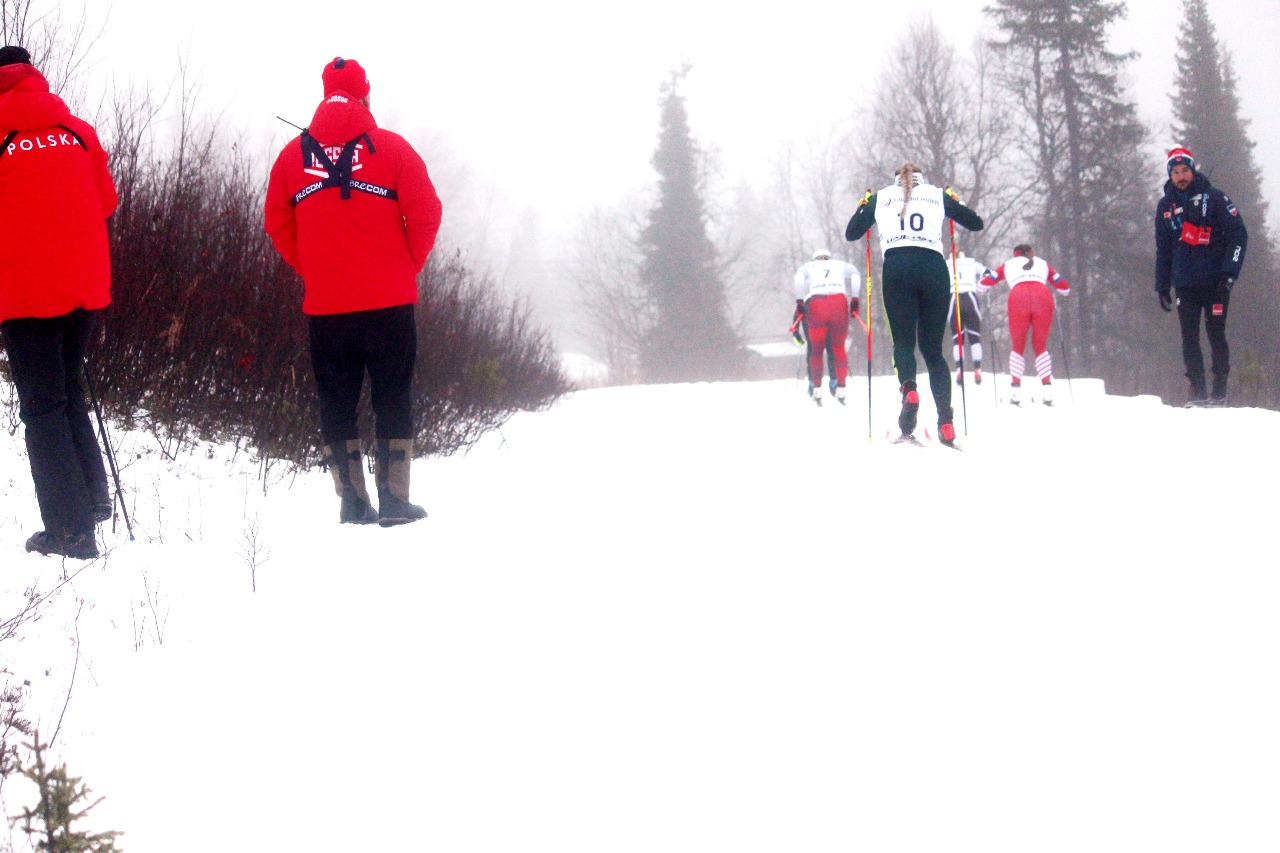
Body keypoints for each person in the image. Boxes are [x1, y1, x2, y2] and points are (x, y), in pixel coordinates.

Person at [265, 57, 443, 525]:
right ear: (365, 96)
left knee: (336, 400)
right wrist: (406, 266)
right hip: (389, 302)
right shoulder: (393, 149)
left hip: (327, 306)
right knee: (393, 395)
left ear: (325, 95)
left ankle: (353, 501)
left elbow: (276, 223)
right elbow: (426, 212)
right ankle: (395, 501)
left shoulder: (291, 157)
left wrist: (314, 268)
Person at [0, 46, 117, 560]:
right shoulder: (77, 131)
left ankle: (70, 531)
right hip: (84, 285)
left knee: (42, 405)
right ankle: (90, 501)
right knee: (66, 389)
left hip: (25, 289)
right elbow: (107, 202)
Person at [845, 163, 983, 445]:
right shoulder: (937, 194)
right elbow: (975, 223)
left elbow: (852, 232)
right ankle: (946, 422)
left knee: (904, 344)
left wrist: (863, 207)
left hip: (897, 269)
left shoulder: (880, 197)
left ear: (896, 179)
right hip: (934, 269)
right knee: (933, 351)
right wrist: (954, 201)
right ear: (922, 178)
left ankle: (909, 391)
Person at [1155, 146, 1247, 406]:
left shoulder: (1215, 198)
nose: (1181, 176)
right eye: (1176, 172)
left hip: (1216, 282)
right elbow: (1163, 248)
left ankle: (1219, 392)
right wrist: (1162, 284)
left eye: (1185, 170)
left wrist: (1230, 272)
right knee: (1189, 336)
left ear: (1193, 171)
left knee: (1216, 334)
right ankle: (1197, 392)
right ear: (1170, 175)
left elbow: (1239, 234)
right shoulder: (1165, 206)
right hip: (1184, 284)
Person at [979, 245, 1069, 406]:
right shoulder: (1042, 263)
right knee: (1040, 344)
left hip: (1018, 297)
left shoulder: (1009, 264)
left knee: (1018, 344)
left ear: (1015, 254)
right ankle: (1047, 390)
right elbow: (1064, 288)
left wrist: (985, 278)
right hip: (1042, 296)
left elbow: (984, 285)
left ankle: (1016, 391)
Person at [792, 248, 861, 405]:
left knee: (815, 350)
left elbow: (798, 279)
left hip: (817, 304)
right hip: (839, 303)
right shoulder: (840, 265)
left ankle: (816, 387)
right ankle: (840, 386)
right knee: (838, 348)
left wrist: (799, 301)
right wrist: (855, 299)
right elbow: (856, 274)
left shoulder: (808, 267)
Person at [948, 248, 990, 385]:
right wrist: (982, 285)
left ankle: (959, 370)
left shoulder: (946, 264)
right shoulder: (971, 262)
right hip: (970, 297)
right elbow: (988, 273)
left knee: (957, 339)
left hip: (954, 299)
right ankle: (977, 369)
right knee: (974, 338)